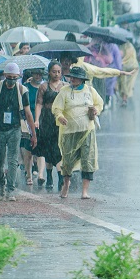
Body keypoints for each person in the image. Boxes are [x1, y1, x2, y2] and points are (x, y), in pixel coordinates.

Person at [0, 63, 36, 200]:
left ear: (18, 77)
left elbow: (28, 113)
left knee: (13, 160)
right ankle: (1, 183)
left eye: (14, 78)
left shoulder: (22, 90)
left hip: (14, 128)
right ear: (5, 76)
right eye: (9, 77)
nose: (11, 80)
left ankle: (11, 189)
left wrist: (33, 134)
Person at [52, 65, 104, 199]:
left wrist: (95, 111)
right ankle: (66, 185)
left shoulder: (90, 91)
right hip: (69, 132)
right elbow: (56, 108)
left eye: (76, 77)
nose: (73, 79)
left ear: (82, 80)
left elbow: (99, 104)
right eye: (72, 77)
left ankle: (85, 191)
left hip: (87, 131)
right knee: (68, 160)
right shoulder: (64, 91)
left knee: (88, 159)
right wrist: (60, 116)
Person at [34, 61, 65, 190]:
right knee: (47, 149)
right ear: (49, 72)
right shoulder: (44, 87)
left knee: (57, 149)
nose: (56, 74)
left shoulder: (65, 86)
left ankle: (60, 177)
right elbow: (39, 104)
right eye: (54, 71)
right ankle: (49, 176)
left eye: (59, 72)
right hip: (46, 120)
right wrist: (36, 120)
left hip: (60, 121)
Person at [20, 68, 45, 185]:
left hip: (41, 121)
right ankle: (28, 174)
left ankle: (41, 174)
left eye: (40, 73)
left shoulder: (44, 87)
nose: (38, 75)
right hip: (27, 121)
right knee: (28, 150)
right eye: (36, 73)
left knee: (41, 149)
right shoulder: (25, 87)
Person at [116, 40, 139, 105]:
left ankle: (124, 98)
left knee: (124, 83)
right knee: (128, 83)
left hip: (127, 67)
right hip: (132, 67)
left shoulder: (125, 46)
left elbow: (123, 55)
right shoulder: (129, 45)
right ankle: (124, 97)